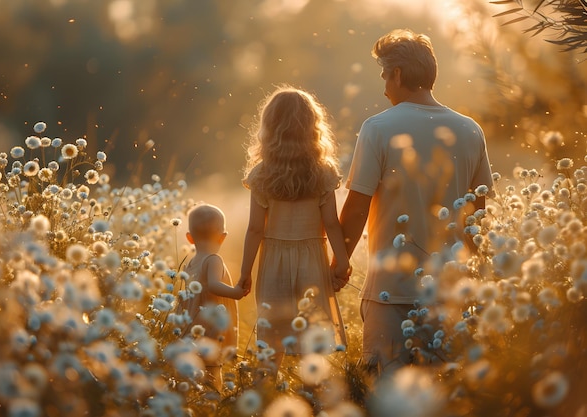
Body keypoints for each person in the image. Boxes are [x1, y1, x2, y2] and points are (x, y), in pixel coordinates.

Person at [339, 29, 494, 375]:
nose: (383, 86)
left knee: (387, 397)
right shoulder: (470, 130)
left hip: (389, 295)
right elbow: (477, 218)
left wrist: (338, 263)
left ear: (397, 73)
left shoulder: (377, 128)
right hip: (450, 293)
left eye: (383, 74)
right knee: (446, 395)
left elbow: (357, 207)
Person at [238, 85, 350, 373]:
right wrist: (343, 261)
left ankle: (262, 395)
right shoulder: (323, 172)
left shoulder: (262, 174)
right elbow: (332, 224)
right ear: (312, 127)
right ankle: (314, 400)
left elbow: (254, 230)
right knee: (312, 342)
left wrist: (245, 273)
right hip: (312, 262)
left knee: (271, 343)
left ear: (269, 127)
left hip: (273, 263)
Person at [182, 203, 247, 391]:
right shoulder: (213, 260)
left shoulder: (191, 262)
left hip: (191, 326)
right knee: (211, 371)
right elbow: (213, 285)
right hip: (210, 329)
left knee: (191, 372)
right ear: (223, 237)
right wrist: (236, 292)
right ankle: (212, 403)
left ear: (189, 238)